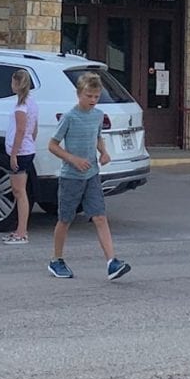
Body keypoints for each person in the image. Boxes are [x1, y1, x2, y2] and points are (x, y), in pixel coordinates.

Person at [45, 72, 130, 281]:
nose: (93, 100)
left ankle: (112, 262)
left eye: (96, 96)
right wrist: (72, 159)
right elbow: (52, 145)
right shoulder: (70, 117)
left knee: (100, 217)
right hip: (71, 177)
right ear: (79, 94)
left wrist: (104, 152)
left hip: (91, 175)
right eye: (89, 96)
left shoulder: (98, 115)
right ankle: (56, 259)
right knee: (65, 219)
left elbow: (97, 136)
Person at [3, 68, 39, 245]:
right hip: (27, 148)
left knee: (19, 191)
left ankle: (22, 231)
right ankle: (19, 229)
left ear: (16, 83)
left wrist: (14, 153)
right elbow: (34, 128)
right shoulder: (32, 103)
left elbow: (21, 130)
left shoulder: (21, 107)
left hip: (21, 151)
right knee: (19, 191)